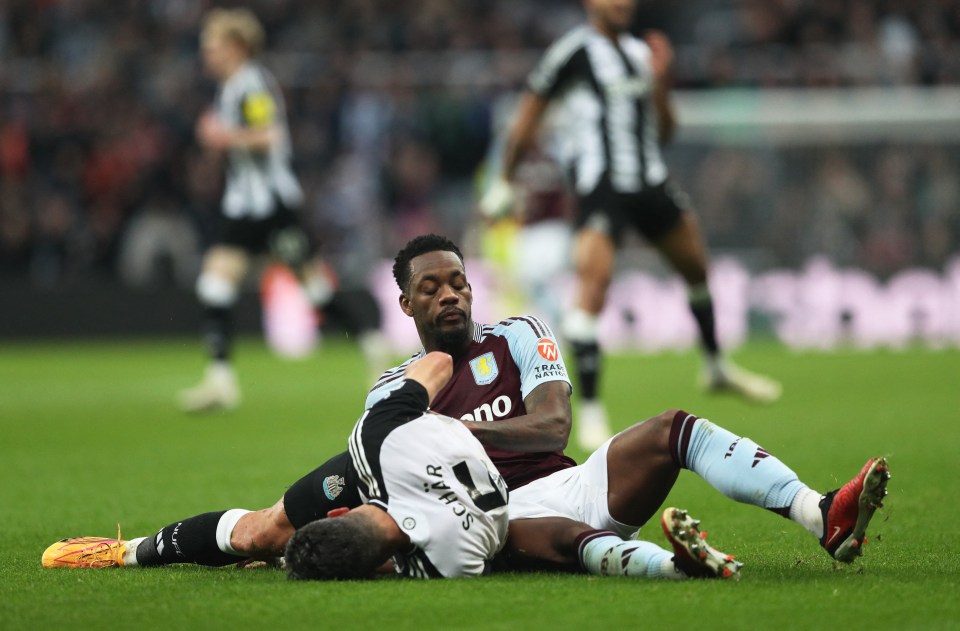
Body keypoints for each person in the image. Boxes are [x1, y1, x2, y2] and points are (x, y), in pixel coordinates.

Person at [41, 235, 889, 575]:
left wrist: (458, 430)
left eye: (458, 280)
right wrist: (138, 553)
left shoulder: (518, 334)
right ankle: (130, 551)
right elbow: (341, 486)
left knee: (673, 428)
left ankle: (824, 513)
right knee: (273, 524)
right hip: (481, 519)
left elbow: (555, 422)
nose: (450, 294)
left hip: (567, 483)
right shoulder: (389, 391)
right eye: (430, 287)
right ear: (406, 305)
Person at [478, 0, 782, 450]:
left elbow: (666, 130)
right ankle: (593, 411)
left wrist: (660, 81)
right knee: (592, 290)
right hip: (600, 186)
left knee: (697, 270)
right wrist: (505, 178)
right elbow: (528, 117)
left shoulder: (643, 54)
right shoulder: (572, 52)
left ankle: (716, 365)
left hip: (650, 181)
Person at [179, 8, 386, 412]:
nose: (207, 55)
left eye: (214, 47)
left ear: (237, 47)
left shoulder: (251, 85)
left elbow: (269, 135)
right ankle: (220, 380)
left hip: (272, 208)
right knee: (215, 284)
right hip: (244, 208)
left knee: (316, 292)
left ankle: (371, 340)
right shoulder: (231, 87)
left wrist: (221, 136)